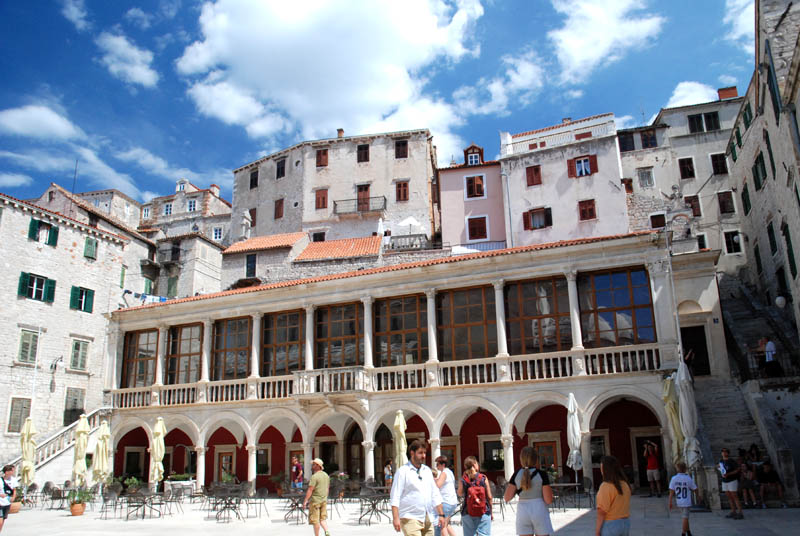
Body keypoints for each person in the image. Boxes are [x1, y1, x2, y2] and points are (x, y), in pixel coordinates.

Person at [390, 439, 446, 536]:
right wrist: (395, 518)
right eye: (420, 453)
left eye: (424, 453)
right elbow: (395, 496)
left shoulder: (427, 471)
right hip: (410, 517)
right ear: (412, 453)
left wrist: (441, 514)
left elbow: (435, 493)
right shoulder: (403, 472)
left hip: (427, 516)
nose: (423, 456)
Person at [503, 446, 553, 536]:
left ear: (521, 459)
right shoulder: (542, 474)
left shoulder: (517, 474)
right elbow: (548, 499)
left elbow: (507, 497)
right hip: (539, 508)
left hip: (523, 510)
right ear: (536, 459)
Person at [595, 455, 631, 536]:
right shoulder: (625, 484)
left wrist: (597, 531)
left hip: (611, 525)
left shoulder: (606, 486)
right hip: (625, 523)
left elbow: (601, 512)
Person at [458, 456, 493, 536]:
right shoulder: (483, 478)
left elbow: (460, 493)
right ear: (474, 464)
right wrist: (491, 511)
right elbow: (489, 497)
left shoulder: (463, 479)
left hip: (467, 511)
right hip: (483, 511)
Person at [302, 458, 331, 536]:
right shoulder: (326, 475)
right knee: (323, 519)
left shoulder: (314, 476)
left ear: (318, 466)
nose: (312, 466)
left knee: (315, 521)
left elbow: (310, 490)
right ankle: (327, 532)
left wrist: (305, 501)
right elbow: (327, 488)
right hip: (323, 500)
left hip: (315, 501)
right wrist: (325, 498)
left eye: (314, 464)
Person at [668, 461, 698, 536]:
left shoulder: (674, 478)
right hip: (686, 501)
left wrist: (670, 502)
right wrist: (698, 496)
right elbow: (694, 489)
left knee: (685, 516)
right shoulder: (688, 478)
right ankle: (683, 533)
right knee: (685, 517)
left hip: (679, 501)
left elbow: (671, 492)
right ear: (685, 469)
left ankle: (688, 532)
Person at [434, 456, 458, 536]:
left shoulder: (444, 473)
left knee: (442, 526)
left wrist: (432, 482)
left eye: (438, 464)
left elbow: (438, 485)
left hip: (446, 501)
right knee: (446, 524)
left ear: (443, 465)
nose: (436, 466)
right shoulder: (450, 472)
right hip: (452, 501)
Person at [719, 448, 743, 519]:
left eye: (725, 452)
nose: (723, 453)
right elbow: (721, 468)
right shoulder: (721, 461)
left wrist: (729, 474)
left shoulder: (731, 461)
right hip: (724, 480)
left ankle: (740, 512)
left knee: (734, 496)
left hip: (732, 480)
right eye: (722, 451)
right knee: (729, 497)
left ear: (728, 453)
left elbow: (737, 469)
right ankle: (733, 511)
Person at [0, 465, 17, 533]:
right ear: (6, 472)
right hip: (0, 502)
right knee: (0, 521)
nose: (13, 472)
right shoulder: (0, 481)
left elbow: (14, 490)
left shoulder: (13, 480)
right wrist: (1, 495)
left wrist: (13, 497)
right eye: (11, 471)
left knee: (3, 520)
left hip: (7, 503)